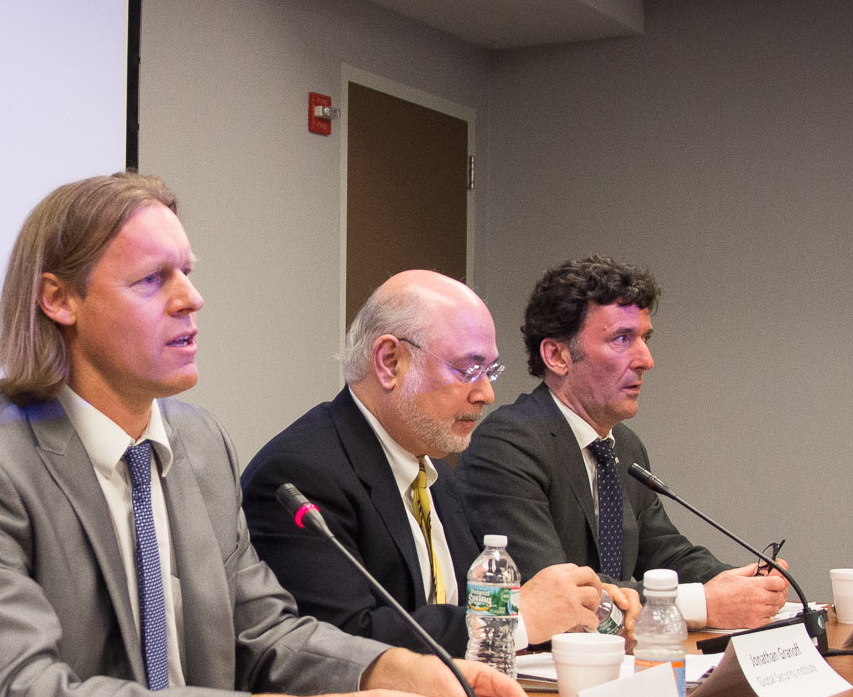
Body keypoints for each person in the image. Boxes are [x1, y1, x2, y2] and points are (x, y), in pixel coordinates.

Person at [0, 173, 541, 697]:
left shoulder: (199, 442)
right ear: (59, 300)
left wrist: (399, 670)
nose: (191, 299)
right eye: (153, 280)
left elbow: (265, 631)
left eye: (188, 272)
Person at [243, 270, 628, 654]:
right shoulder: (300, 475)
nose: (487, 394)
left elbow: (464, 603)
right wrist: (512, 619)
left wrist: (568, 605)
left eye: (490, 371)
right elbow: (340, 642)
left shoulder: (435, 471)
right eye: (468, 370)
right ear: (390, 362)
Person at [457, 255, 788, 629]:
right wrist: (704, 604)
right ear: (557, 356)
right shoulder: (507, 445)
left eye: (644, 338)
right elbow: (562, 595)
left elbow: (666, 554)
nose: (646, 359)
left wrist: (736, 582)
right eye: (622, 339)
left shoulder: (623, 447)